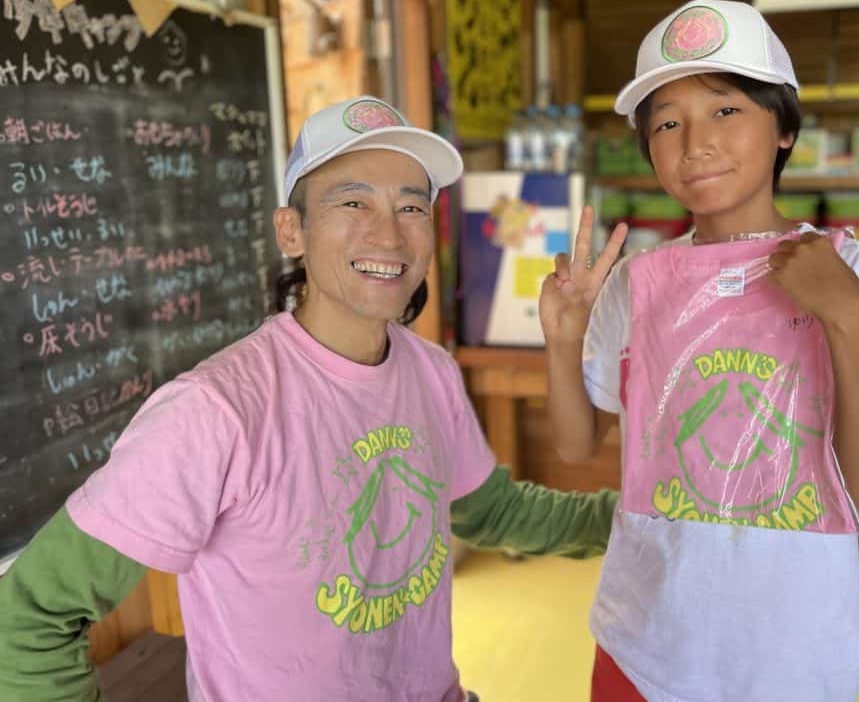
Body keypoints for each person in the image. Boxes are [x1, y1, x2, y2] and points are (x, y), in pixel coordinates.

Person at [0, 96, 617, 702]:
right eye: (353, 202)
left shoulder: (431, 372)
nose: (389, 235)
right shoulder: (212, 411)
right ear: (291, 230)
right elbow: (30, 619)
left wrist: (639, 519)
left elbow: (493, 512)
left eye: (411, 206)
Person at [540, 0, 859, 702]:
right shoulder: (635, 283)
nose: (695, 142)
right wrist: (563, 340)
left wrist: (848, 317)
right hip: (641, 647)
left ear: (784, 128)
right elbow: (579, 446)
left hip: (794, 664)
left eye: (726, 109)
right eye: (666, 123)